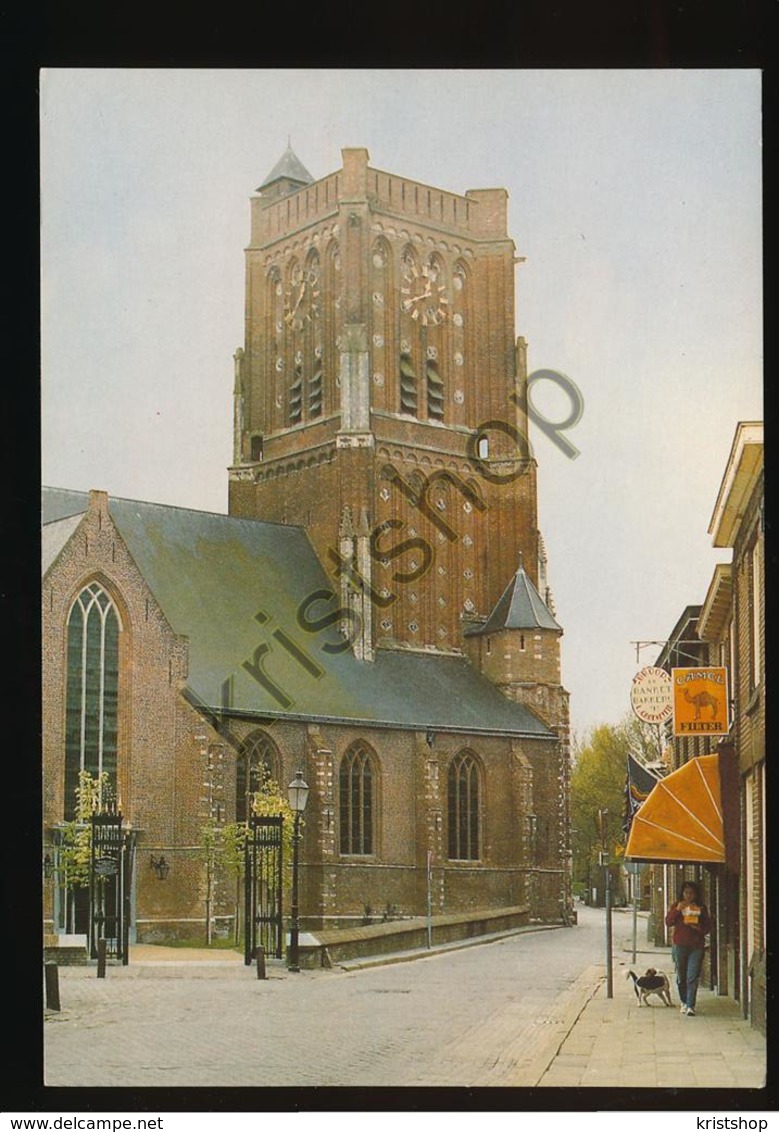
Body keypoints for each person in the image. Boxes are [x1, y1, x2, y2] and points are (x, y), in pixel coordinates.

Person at [665, 881, 711, 1015]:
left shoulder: (701, 908)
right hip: (680, 945)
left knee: (692, 975)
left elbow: (708, 927)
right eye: (686, 893)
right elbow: (668, 922)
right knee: (681, 975)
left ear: (695, 894)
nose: (688, 896)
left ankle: (691, 1005)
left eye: (691, 893)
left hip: (696, 946)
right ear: (682, 894)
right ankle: (684, 1001)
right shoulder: (677, 906)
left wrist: (698, 928)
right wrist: (677, 910)